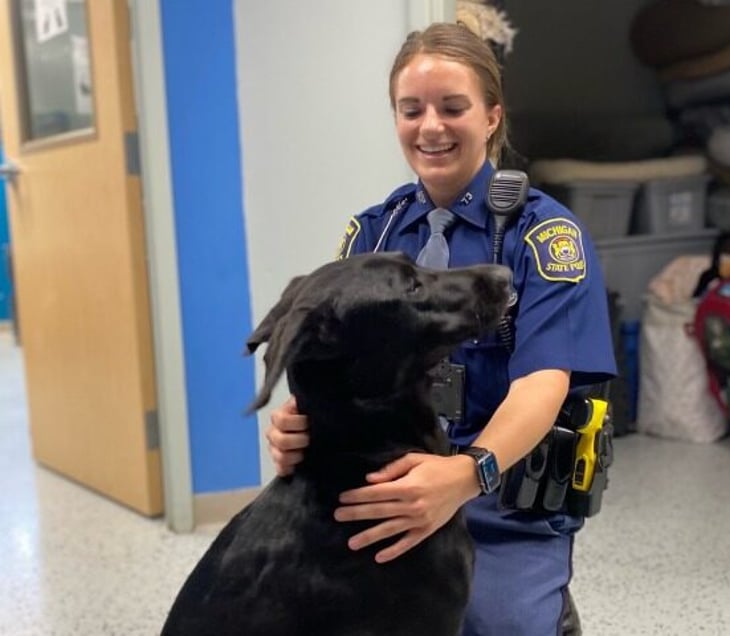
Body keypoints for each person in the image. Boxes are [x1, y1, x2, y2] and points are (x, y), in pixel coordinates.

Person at [266, 22, 616, 636]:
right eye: (411, 109)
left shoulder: (545, 237)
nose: (430, 126)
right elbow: (340, 368)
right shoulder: (371, 236)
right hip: (385, 491)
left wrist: (467, 474)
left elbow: (543, 382)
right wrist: (300, 425)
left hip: (498, 497)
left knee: (498, 627)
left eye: (453, 107)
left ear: (490, 116)